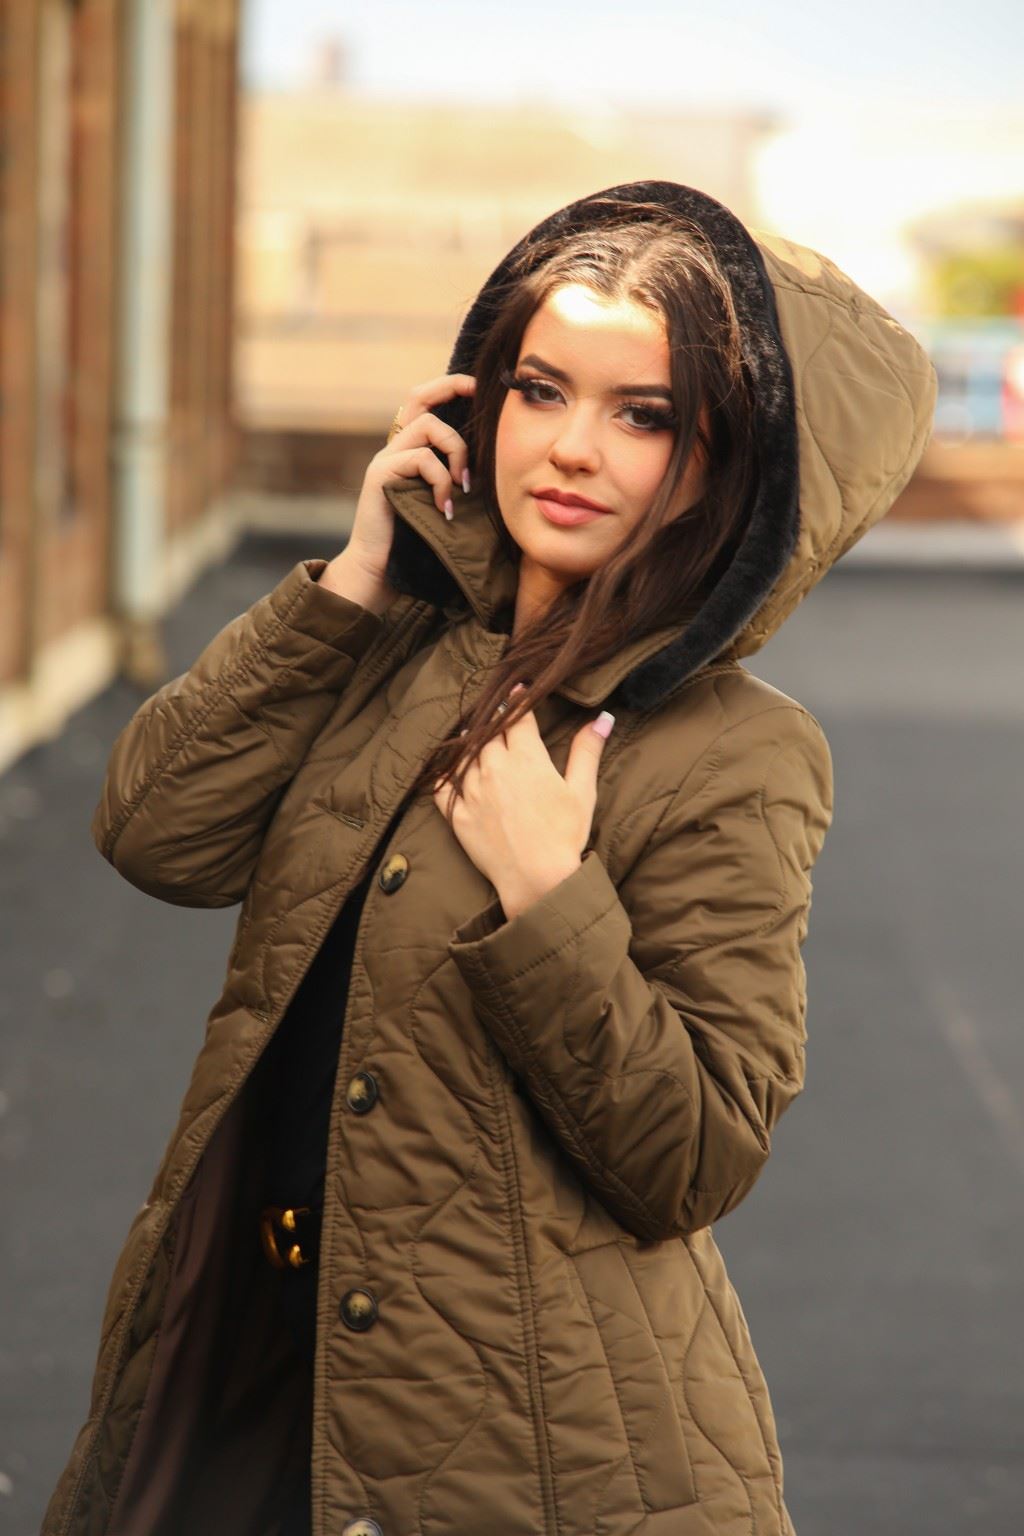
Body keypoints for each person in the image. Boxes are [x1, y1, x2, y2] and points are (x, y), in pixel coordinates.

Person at [42, 181, 936, 1536]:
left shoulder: (735, 750)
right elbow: (155, 832)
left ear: (730, 462)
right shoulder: (390, 641)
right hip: (253, 1357)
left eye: (645, 416)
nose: (572, 448)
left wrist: (550, 895)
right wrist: (351, 583)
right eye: (540, 389)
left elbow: (694, 1155)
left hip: (525, 1444)